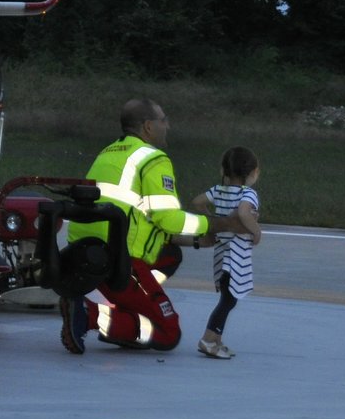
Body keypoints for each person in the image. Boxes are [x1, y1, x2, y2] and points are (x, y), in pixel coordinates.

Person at [58, 98, 231, 354]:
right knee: (168, 333)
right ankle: (90, 315)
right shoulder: (153, 159)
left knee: (170, 256)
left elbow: (142, 215)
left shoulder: (109, 152)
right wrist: (214, 224)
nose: (168, 125)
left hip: (88, 250)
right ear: (148, 126)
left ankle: (130, 308)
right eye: (163, 120)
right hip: (121, 258)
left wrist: (195, 241)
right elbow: (168, 219)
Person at [191, 147, 262, 359]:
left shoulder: (218, 190)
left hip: (221, 253)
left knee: (226, 296)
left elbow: (197, 202)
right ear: (252, 173)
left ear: (224, 169)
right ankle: (207, 339)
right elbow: (243, 212)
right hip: (236, 255)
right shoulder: (248, 194)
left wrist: (212, 219)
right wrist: (256, 231)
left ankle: (217, 341)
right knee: (229, 300)